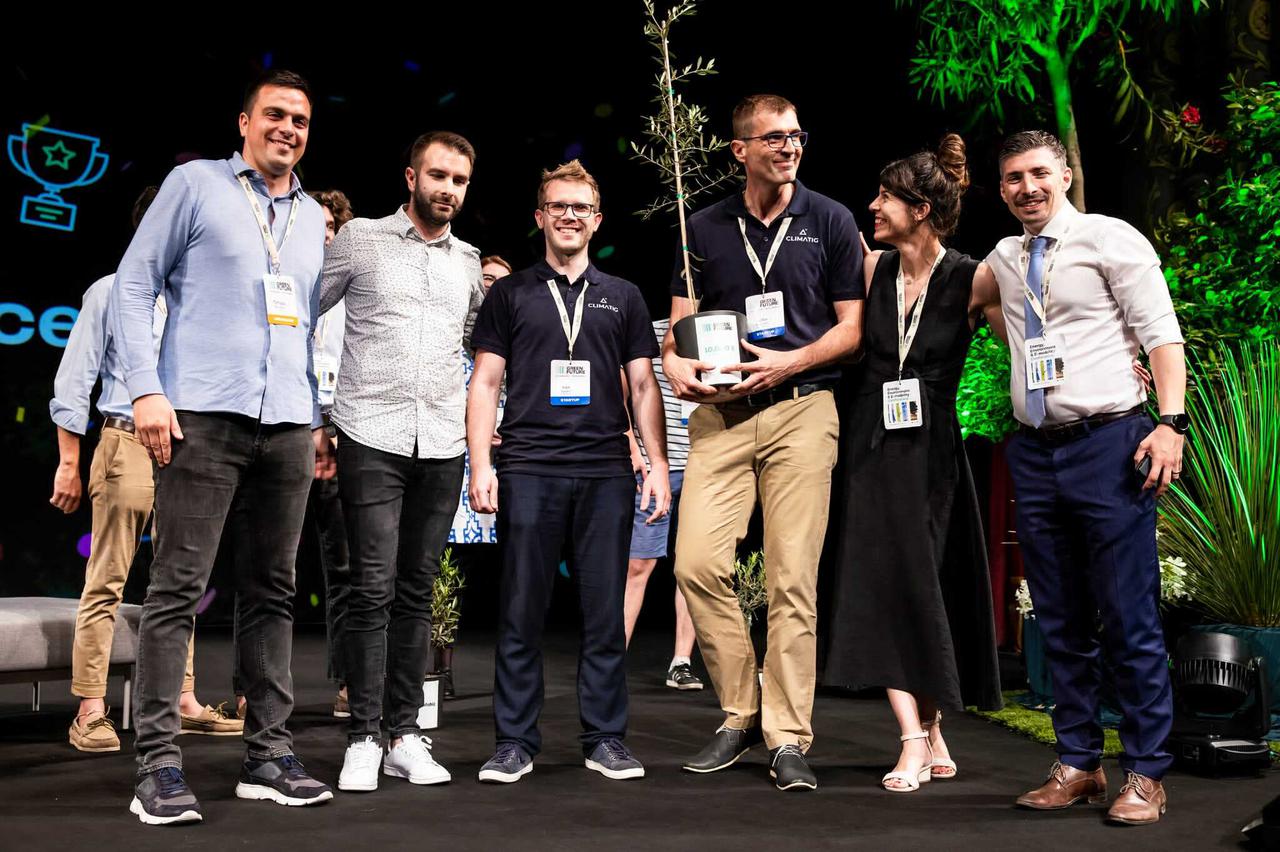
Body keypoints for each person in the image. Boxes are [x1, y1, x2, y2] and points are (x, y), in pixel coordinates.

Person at [111, 69, 335, 825]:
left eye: (300, 119)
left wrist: (315, 416)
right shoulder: (196, 184)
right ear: (244, 122)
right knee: (177, 590)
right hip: (201, 416)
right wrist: (146, 389)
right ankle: (158, 766)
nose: (288, 128)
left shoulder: (312, 215)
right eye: (275, 114)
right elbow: (134, 284)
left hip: (288, 423)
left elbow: (303, 322)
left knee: (272, 591)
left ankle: (268, 754)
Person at [662, 94, 864, 792]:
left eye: (796, 135)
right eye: (773, 137)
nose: (789, 147)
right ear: (739, 149)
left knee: (791, 579)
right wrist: (674, 364)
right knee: (695, 564)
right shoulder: (702, 226)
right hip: (721, 417)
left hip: (802, 409)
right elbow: (678, 329)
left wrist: (790, 362)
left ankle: (786, 735)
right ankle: (742, 708)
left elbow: (852, 329)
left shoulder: (830, 219)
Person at [985, 130, 1186, 825]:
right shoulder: (1005, 258)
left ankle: (1147, 773)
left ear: (1065, 174)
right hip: (1036, 452)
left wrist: (1171, 423)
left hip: (1110, 444)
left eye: (1039, 173)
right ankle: (1078, 763)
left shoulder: (1109, 239)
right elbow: (953, 288)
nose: (1028, 188)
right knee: (1059, 617)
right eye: (1014, 178)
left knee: (1129, 616)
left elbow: (1161, 333)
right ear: (1001, 188)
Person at [468, 160, 671, 784]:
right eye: (558, 206)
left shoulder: (624, 295)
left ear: (597, 219)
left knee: (605, 613)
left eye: (580, 207)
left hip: (606, 471)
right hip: (529, 467)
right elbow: (486, 382)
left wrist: (657, 463)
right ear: (540, 216)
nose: (569, 216)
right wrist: (482, 464)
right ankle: (514, 743)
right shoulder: (509, 293)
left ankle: (605, 738)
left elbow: (644, 385)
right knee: (521, 610)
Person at [823, 135, 1003, 793]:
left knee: (924, 588)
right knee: (882, 586)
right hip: (870, 449)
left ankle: (931, 730)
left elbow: (1028, 340)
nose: (872, 207)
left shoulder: (973, 278)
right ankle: (913, 738)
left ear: (921, 209)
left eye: (886, 198)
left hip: (932, 458)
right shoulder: (872, 268)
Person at [320, 132, 485, 793]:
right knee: (371, 589)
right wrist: (317, 415)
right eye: (438, 175)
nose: (449, 189)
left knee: (417, 592)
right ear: (411, 177)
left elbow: (473, 346)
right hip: (369, 433)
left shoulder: (468, 262)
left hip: (442, 442)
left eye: (460, 180)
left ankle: (404, 735)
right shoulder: (360, 239)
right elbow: (301, 315)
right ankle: (363, 736)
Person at [50, 187, 242, 753]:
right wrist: (69, 462)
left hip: (187, 447)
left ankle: (182, 699)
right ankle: (90, 709)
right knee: (108, 576)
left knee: (181, 579)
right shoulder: (110, 292)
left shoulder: (197, 301)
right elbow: (74, 380)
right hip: (126, 439)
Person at [622, 317, 702, 691]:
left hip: (705, 464)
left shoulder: (718, 329)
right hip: (657, 468)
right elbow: (624, 388)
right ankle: (612, 657)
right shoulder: (652, 332)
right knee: (638, 563)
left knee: (693, 566)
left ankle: (682, 661)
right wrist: (632, 445)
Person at [309, 189, 354, 719]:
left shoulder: (352, 293)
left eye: (329, 226)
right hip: (283, 433)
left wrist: (333, 428)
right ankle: (252, 691)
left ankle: (348, 684)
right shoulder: (277, 281)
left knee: (344, 569)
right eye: (312, 224)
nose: (321, 234)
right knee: (266, 569)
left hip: (340, 441)